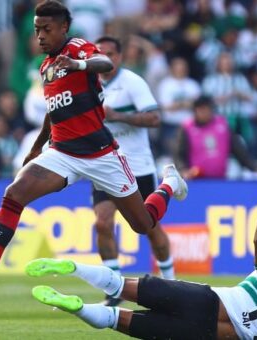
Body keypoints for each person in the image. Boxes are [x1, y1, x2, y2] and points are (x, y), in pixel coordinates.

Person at [0, 0, 187, 297]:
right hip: (62, 153)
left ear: (63, 28)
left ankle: (168, 184)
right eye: (37, 30)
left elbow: (106, 64)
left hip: (101, 155)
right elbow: (52, 112)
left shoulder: (77, 48)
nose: (40, 36)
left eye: (47, 29)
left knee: (143, 224)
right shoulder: (47, 66)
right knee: (13, 195)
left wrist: (78, 64)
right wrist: (36, 149)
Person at [26, 172, 257, 339]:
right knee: (116, 320)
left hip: (206, 300)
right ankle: (76, 308)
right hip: (201, 335)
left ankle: (74, 267)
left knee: (122, 286)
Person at [91, 36, 175, 307]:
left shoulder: (133, 82)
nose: (107, 58)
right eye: (101, 54)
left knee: (149, 227)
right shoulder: (87, 85)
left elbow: (154, 118)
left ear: (120, 56)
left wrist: (118, 116)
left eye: (112, 54)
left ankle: (172, 282)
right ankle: (115, 289)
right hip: (104, 165)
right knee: (102, 223)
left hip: (137, 167)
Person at [174, 95, 257, 179]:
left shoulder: (222, 124)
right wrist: (183, 170)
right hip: (196, 181)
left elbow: (239, 150)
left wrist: (255, 168)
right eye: (200, 109)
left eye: (206, 109)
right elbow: (179, 154)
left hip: (219, 180)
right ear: (195, 111)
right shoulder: (187, 127)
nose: (204, 112)